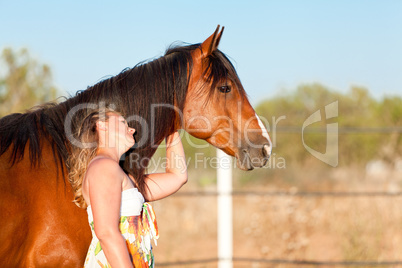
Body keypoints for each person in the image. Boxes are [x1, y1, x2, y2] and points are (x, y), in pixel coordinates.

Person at [67, 108, 187, 268]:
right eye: (123, 122)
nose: (132, 129)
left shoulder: (121, 176)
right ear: (102, 126)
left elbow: (178, 176)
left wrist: (171, 129)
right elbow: (106, 233)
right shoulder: (103, 167)